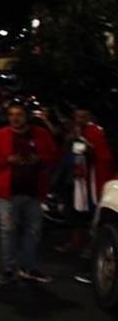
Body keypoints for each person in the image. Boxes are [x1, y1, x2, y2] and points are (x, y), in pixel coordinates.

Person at [0, 102, 59, 285]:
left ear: (27, 117)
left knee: (32, 231)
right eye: (12, 115)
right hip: (8, 193)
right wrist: (8, 160)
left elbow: (54, 155)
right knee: (8, 231)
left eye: (19, 115)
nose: (15, 119)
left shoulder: (40, 135)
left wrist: (39, 159)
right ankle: (9, 269)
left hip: (34, 192)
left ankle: (28, 267)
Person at [61, 107, 114, 265]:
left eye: (83, 116)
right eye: (77, 116)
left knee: (90, 214)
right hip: (75, 179)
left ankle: (91, 246)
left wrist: (89, 150)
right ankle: (76, 242)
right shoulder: (74, 132)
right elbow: (66, 153)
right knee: (74, 212)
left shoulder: (96, 132)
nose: (80, 119)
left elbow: (103, 156)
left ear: (89, 116)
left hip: (90, 180)